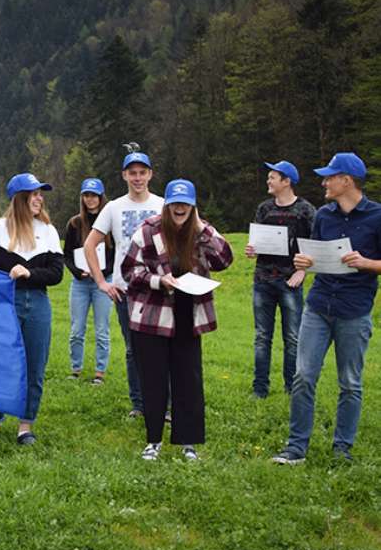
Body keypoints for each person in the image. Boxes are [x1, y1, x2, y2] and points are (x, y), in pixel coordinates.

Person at [272, 153, 381, 465]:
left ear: (346, 181)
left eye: (329, 177)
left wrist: (367, 263)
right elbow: (315, 256)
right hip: (318, 306)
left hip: (354, 311)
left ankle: (342, 450)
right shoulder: (324, 216)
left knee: (350, 383)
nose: (323, 182)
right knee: (304, 376)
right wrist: (304, 263)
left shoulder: (377, 216)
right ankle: (296, 449)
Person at [121, 180, 233, 461]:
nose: (180, 208)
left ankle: (188, 443)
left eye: (185, 204)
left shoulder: (201, 231)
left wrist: (203, 229)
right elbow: (129, 271)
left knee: (189, 381)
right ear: (167, 204)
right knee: (153, 381)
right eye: (175, 203)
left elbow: (225, 259)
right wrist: (159, 281)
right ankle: (153, 441)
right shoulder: (147, 231)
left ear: (193, 206)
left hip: (187, 316)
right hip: (151, 318)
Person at [0, 173, 64, 446]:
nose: (39, 198)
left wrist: (29, 273)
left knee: (34, 366)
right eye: (33, 194)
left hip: (36, 303)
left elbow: (56, 273)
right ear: (18, 199)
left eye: (40, 194)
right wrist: (8, 273)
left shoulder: (48, 231)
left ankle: (26, 427)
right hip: (3, 304)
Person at [83, 151, 164, 419]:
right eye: (133, 173)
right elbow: (89, 245)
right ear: (124, 176)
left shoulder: (162, 205)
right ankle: (139, 404)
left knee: (163, 347)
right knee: (134, 349)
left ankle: (165, 405)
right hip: (125, 290)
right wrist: (101, 282)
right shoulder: (113, 207)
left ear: (150, 174)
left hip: (160, 288)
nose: (138, 178)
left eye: (142, 172)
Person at [244, 160, 315, 398]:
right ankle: (259, 389)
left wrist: (302, 271)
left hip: (290, 282)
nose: (268, 180)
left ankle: (290, 388)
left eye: (273, 177)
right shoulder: (264, 208)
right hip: (262, 280)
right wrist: (252, 250)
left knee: (293, 338)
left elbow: (315, 246)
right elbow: (257, 240)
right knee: (262, 337)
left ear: (287, 181)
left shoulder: (306, 210)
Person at [64, 178, 114, 384]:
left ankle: (100, 372)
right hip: (81, 283)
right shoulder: (74, 224)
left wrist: (100, 272)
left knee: (102, 329)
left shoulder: (110, 222)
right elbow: (66, 255)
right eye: (86, 195)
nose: (90, 199)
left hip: (103, 281)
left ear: (101, 197)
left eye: (94, 195)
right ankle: (76, 368)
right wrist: (78, 271)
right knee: (77, 329)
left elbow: (116, 255)